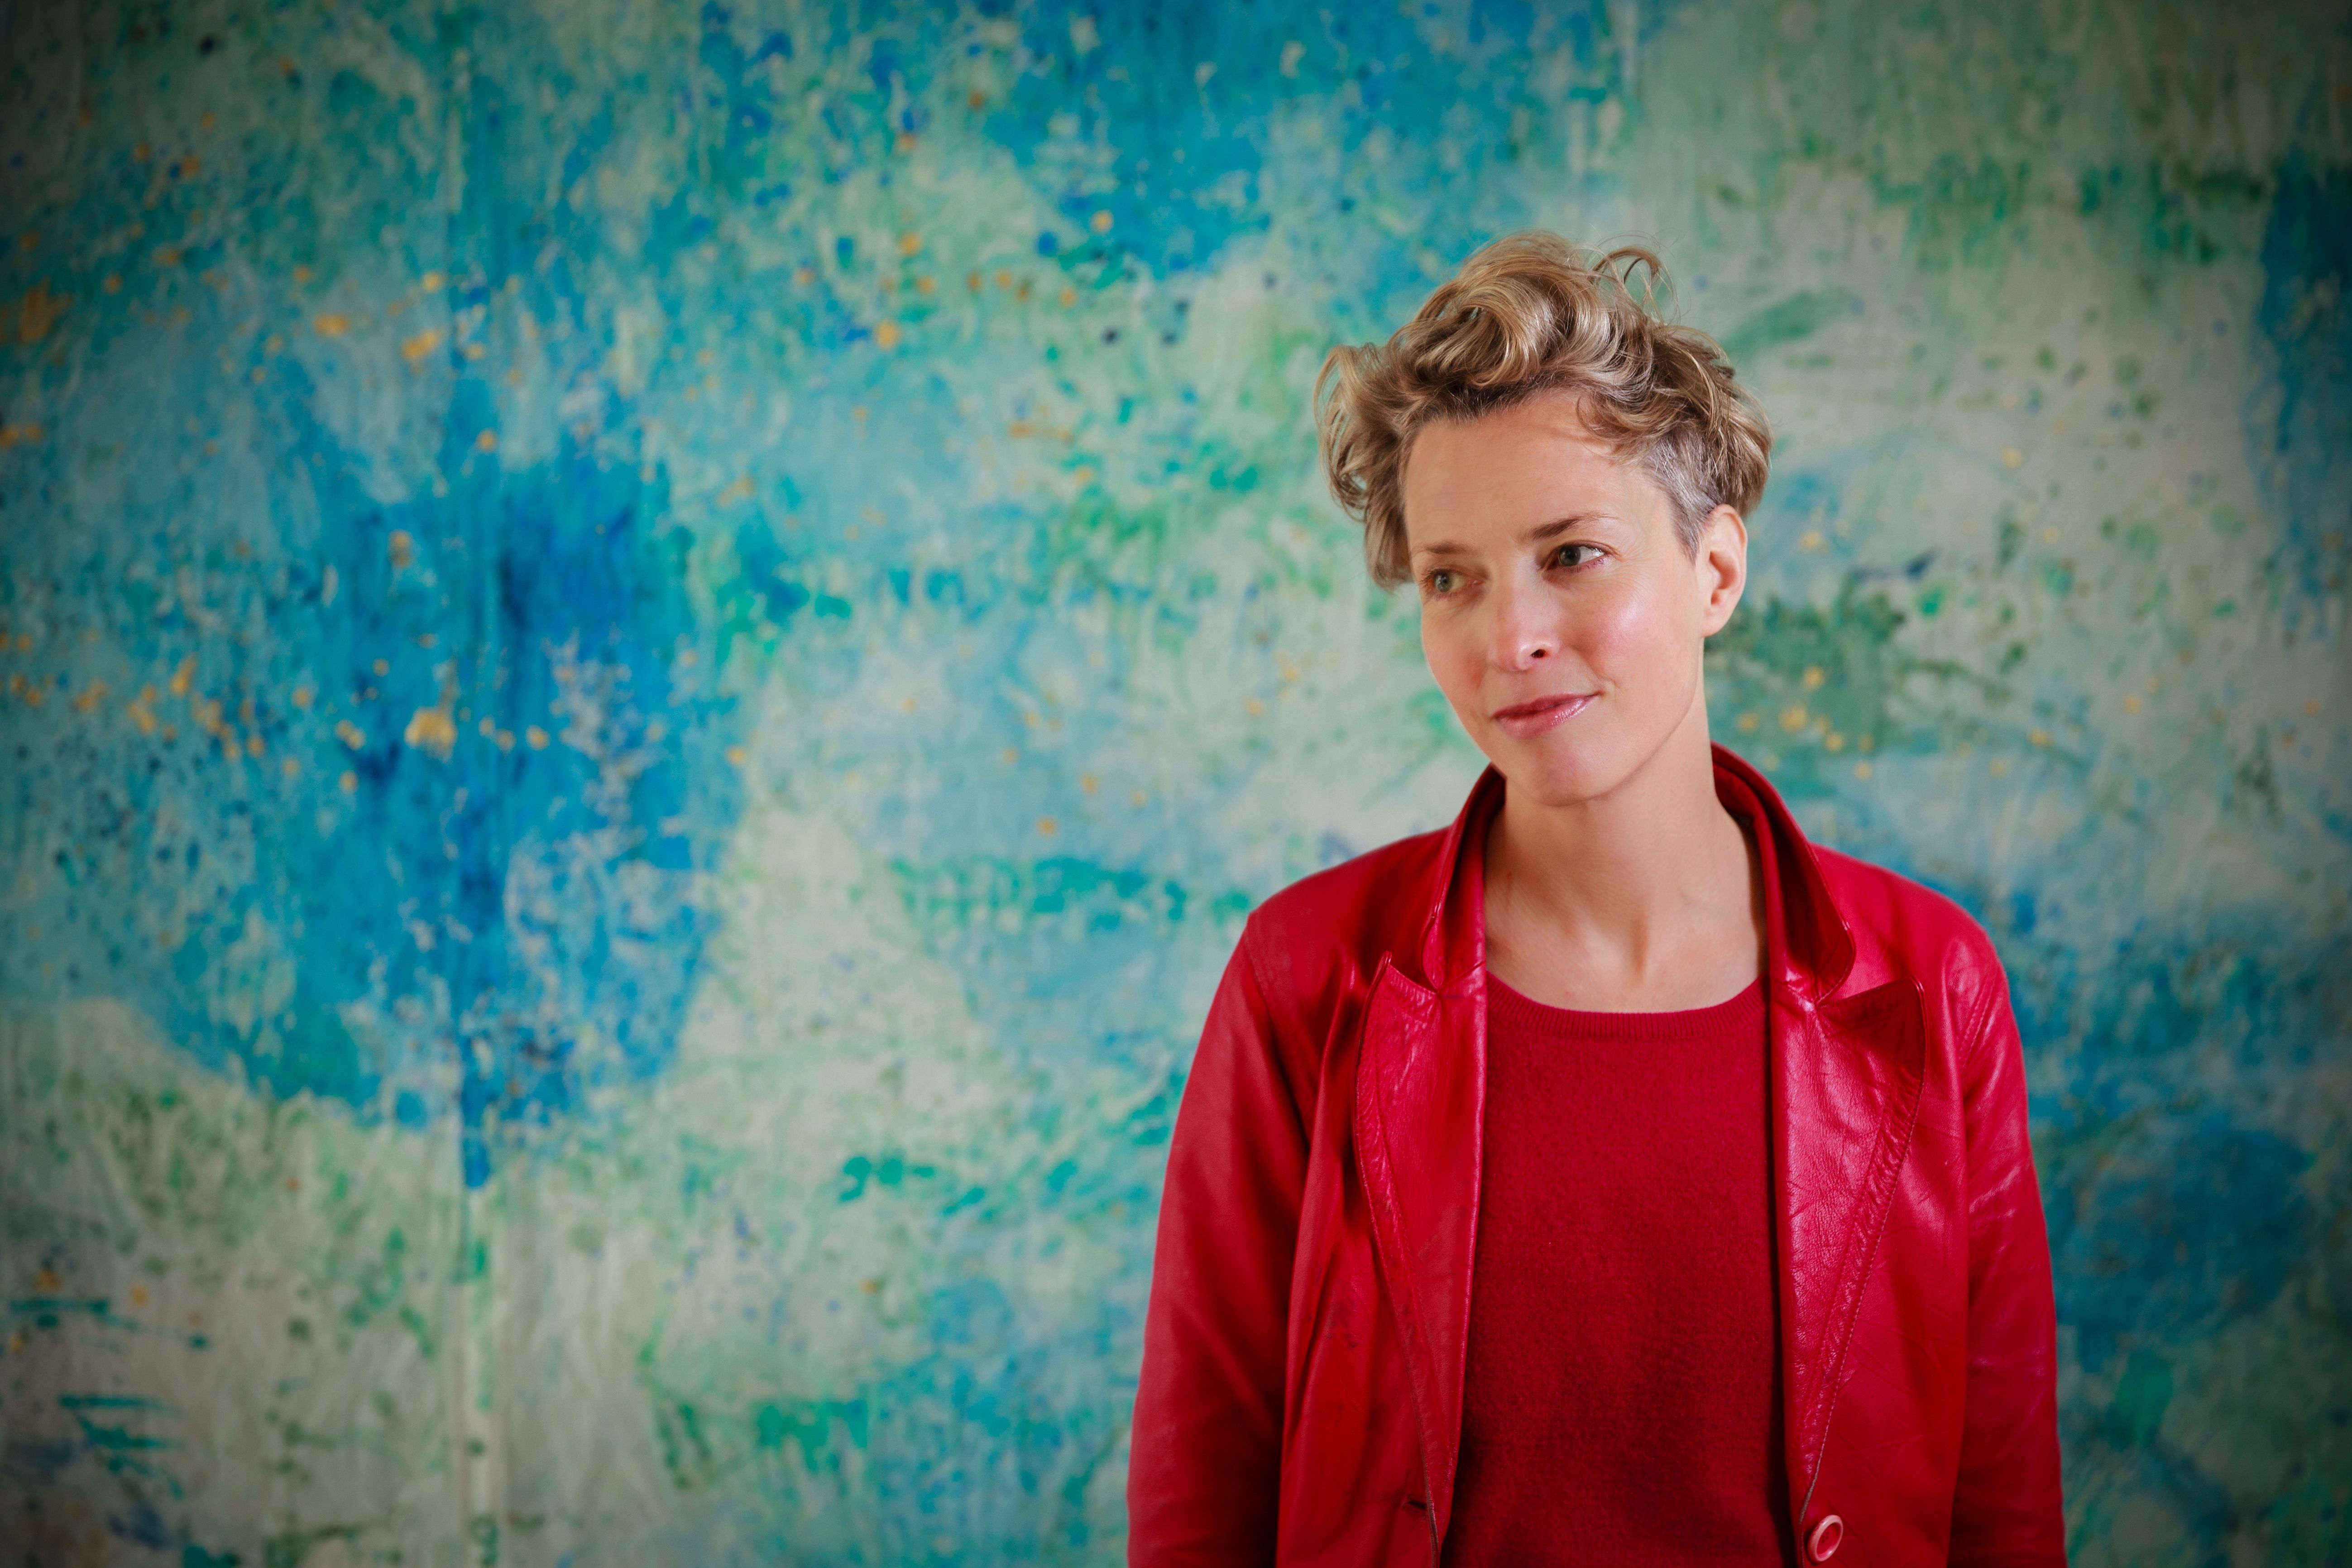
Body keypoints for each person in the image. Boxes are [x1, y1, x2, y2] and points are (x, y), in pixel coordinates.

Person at [1126, 235, 2064, 1567]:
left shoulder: (1927, 982)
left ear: (1716, 573)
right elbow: (1203, 1483)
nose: (1507, 636)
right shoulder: (1308, 974)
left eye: (1571, 554)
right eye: (1450, 576)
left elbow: (2002, 1508)